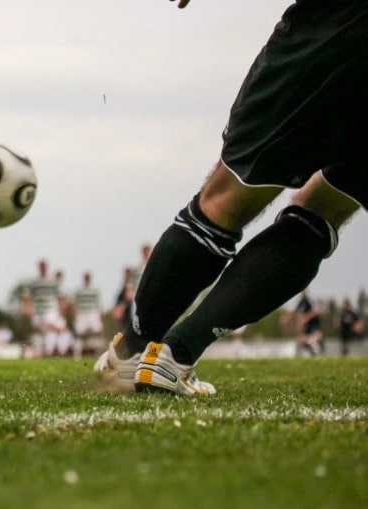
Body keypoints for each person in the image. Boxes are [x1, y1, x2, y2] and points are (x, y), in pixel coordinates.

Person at [96, 0, 367, 395]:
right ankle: (175, 355)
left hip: (333, 27)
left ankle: (133, 352)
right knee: (324, 210)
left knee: (225, 200)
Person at [23, 259, 61, 358]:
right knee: (38, 330)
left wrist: (60, 309)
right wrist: (27, 307)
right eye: (41, 266)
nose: (43, 268)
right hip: (37, 310)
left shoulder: (52, 281)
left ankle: (48, 351)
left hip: (50, 309)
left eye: (44, 266)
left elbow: (58, 295)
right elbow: (28, 296)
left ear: (47, 267)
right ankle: (38, 352)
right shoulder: (34, 282)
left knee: (49, 328)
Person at [281, 289, 324, 357]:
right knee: (301, 340)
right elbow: (294, 311)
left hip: (314, 323)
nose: (303, 293)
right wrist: (287, 318)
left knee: (318, 337)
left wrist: (307, 317)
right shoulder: (301, 301)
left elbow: (316, 310)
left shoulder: (310, 300)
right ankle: (313, 353)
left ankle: (321, 352)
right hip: (307, 325)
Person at [73, 272, 104, 358]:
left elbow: (99, 302)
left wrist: (100, 313)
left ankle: (99, 354)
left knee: (98, 332)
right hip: (82, 313)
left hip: (93, 312)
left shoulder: (95, 289)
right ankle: (77, 355)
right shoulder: (79, 290)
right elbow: (75, 303)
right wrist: (75, 313)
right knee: (79, 334)